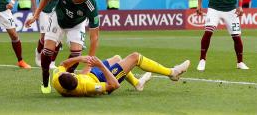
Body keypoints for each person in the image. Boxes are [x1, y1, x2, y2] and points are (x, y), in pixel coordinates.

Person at [25, 0, 100, 94]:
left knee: (76, 53)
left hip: (77, 24)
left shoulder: (91, 5)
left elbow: (94, 37)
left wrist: (89, 66)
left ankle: (65, 79)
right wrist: (35, 16)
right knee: (48, 51)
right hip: (57, 20)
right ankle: (45, 80)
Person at [52, 53, 190, 97]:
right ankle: (172, 73)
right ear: (75, 77)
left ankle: (137, 83)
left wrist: (80, 59)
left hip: (92, 75)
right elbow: (114, 85)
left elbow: (64, 64)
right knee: (135, 57)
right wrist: (100, 65)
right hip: (102, 78)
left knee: (117, 58)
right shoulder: (88, 87)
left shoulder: (57, 79)